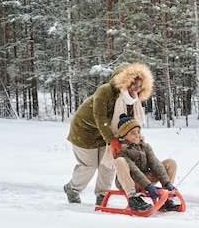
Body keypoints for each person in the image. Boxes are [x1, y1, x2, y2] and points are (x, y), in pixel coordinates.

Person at [63, 63, 153, 205]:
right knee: (89, 166)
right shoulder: (104, 91)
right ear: (125, 80)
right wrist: (111, 140)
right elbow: (100, 117)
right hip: (85, 131)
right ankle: (73, 188)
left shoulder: (131, 101)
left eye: (140, 85)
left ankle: (102, 195)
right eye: (134, 83)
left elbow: (128, 123)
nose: (137, 88)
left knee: (109, 163)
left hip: (107, 134)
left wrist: (135, 136)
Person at [113, 114, 180, 212]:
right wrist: (148, 185)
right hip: (129, 182)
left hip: (145, 179)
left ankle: (165, 199)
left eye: (138, 132)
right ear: (124, 135)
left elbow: (155, 164)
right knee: (120, 161)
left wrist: (167, 182)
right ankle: (132, 198)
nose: (137, 135)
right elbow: (134, 170)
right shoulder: (121, 150)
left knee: (170, 163)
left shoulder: (145, 146)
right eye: (133, 133)